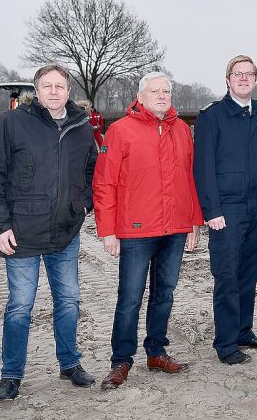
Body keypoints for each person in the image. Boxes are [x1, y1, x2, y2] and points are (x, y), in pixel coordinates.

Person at [0, 64, 98, 401]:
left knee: (69, 301)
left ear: (69, 91)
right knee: (20, 306)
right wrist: (0, 227)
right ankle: (12, 374)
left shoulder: (81, 127)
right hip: (22, 233)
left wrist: (83, 204)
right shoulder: (13, 123)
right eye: (48, 85)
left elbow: (91, 170)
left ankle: (69, 363)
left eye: (60, 86)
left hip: (65, 232)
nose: (54, 91)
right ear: (37, 90)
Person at [93, 72, 203, 389]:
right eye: (154, 91)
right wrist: (108, 230)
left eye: (166, 90)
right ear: (140, 96)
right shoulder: (119, 131)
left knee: (164, 294)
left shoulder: (182, 130)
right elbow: (104, 183)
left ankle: (156, 351)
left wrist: (194, 221)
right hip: (136, 230)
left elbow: (190, 178)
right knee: (129, 297)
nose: (161, 95)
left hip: (174, 228)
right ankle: (121, 361)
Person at [193, 55, 257, 365]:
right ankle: (226, 344)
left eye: (249, 74)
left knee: (250, 273)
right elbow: (203, 167)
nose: (243, 78)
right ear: (228, 80)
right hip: (226, 211)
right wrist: (211, 210)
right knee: (227, 276)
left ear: (256, 80)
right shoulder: (212, 116)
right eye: (237, 74)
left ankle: (244, 331)